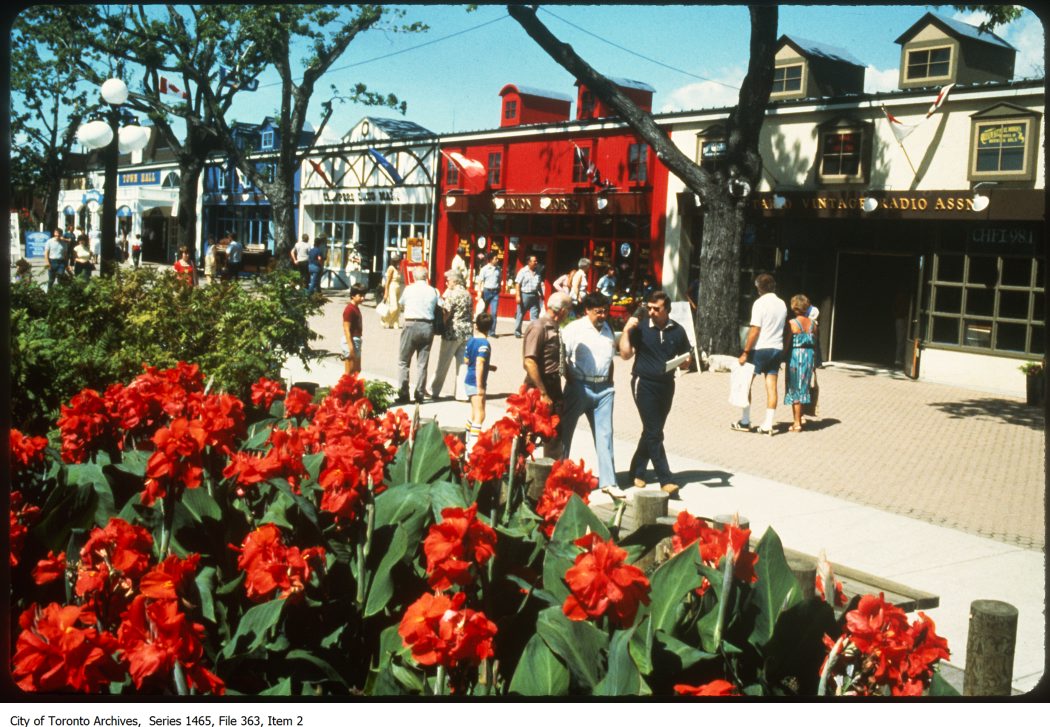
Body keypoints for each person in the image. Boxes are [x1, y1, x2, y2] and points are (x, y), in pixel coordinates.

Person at [619, 291, 692, 499]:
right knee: (654, 431)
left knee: (653, 430)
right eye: (649, 308)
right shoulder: (640, 328)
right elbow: (625, 354)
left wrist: (687, 362)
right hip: (643, 383)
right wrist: (626, 330)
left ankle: (637, 470)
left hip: (667, 385)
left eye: (656, 309)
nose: (651, 312)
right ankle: (665, 479)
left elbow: (686, 356)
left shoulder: (678, 330)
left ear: (666, 309)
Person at [560, 292, 623, 497]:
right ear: (587, 310)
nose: (603, 315)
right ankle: (558, 476)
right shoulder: (574, 329)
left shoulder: (608, 329)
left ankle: (608, 482)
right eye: (598, 312)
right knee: (565, 432)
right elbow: (563, 357)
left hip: (604, 389)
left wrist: (610, 382)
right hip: (579, 386)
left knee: (605, 435)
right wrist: (570, 380)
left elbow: (611, 357)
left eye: (605, 311)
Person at [734, 273, 787, 436]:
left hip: (760, 348)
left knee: (746, 383)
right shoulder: (782, 304)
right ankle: (768, 423)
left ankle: (745, 420)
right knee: (771, 386)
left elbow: (755, 329)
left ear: (759, 288)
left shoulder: (759, 304)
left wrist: (746, 351)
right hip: (776, 347)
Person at [522, 290, 573, 458]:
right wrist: (542, 393)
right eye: (570, 309)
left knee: (555, 432)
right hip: (538, 386)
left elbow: (558, 359)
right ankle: (516, 472)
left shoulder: (556, 328)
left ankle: (550, 474)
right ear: (563, 311)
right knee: (528, 432)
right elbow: (529, 361)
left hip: (554, 384)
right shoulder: (539, 327)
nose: (570, 313)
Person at [397, 267, 440, 404]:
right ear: (426, 277)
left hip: (411, 324)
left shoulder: (409, 289)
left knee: (404, 361)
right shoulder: (433, 290)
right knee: (422, 363)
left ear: (414, 277)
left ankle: (404, 392)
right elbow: (442, 305)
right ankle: (419, 393)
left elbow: (401, 303)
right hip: (427, 326)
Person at [430, 268, 474, 401]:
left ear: (455, 280)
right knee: (462, 364)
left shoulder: (452, 294)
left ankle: (434, 389)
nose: (447, 282)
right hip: (466, 332)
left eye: (448, 280)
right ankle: (462, 394)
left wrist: (439, 326)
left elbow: (446, 312)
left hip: (452, 332)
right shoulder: (468, 294)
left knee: (443, 362)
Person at [784, 294, 818, 433]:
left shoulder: (792, 323)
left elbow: (787, 343)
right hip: (809, 356)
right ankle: (801, 416)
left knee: (794, 388)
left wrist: (782, 355)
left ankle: (797, 422)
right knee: (804, 386)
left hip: (796, 356)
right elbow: (815, 343)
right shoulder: (813, 325)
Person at [464, 312, 493, 447]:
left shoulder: (471, 341)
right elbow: (479, 363)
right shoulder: (484, 344)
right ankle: (472, 444)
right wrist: (480, 386)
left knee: (474, 412)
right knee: (480, 414)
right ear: (490, 327)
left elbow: (467, 360)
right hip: (476, 381)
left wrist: (490, 367)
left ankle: (467, 435)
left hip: (468, 379)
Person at [513, 254, 543, 338]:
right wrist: (518, 296)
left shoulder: (538, 272)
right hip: (525, 295)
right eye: (534, 261)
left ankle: (534, 332)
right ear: (529, 262)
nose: (536, 262)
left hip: (535, 295)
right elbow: (518, 284)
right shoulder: (523, 271)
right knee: (520, 314)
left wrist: (541, 294)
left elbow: (539, 284)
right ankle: (517, 331)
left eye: (536, 261)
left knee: (535, 315)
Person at [341, 283, 367, 376]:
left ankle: (353, 389)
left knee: (356, 370)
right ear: (352, 295)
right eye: (360, 295)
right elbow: (346, 329)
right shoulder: (349, 310)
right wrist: (350, 347)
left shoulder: (356, 308)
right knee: (350, 371)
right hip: (351, 340)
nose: (363, 298)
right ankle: (344, 389)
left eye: (364, 295)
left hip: (356, 340)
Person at [477, 252, 502, 336]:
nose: (497, 260)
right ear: (491, 260)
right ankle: (480, 327)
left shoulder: (498, 269)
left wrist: (499, 288)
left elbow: (499, 279)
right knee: (483, 311)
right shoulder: (484, 269)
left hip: (495, 292)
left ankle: (492, 332)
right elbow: (480, 281)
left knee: (494, 313)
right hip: (486, 292)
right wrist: (479, 292)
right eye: (496, 258)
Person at [381, 251, 403, 329]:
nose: (399, 262)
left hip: (398, 287)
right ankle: (384, 319)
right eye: (397, 260)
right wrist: (386, 293)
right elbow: (387, 282)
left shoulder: (398, 269)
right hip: (392, 287)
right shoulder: (391, 268)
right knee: (394, 307)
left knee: (398, 306)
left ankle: (394, 322)